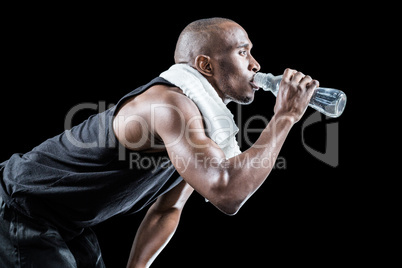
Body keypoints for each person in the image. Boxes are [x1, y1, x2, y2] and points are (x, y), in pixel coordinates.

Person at [0, 17, 319, 267]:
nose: (256, 64)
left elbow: (168, 208)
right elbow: (227, 193)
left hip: (69, 222)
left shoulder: (203, 124)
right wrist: (285, 117)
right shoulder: (169, 106)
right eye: (242, 52)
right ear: (206, 65)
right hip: (22, 204)